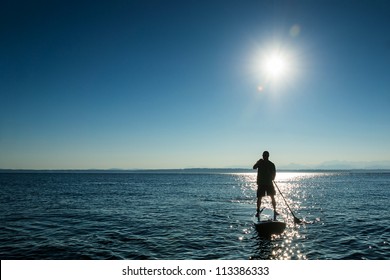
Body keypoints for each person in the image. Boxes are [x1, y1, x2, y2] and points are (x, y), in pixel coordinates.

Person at [253, 151, 278, 220]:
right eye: (264, 155)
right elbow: (254, 167)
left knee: (272, 197)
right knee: (260, 197)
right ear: (263, 156)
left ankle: (275, 210)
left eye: (266, 156)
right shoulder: (260, 163)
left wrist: (272, 177)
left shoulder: (271, 164)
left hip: (268, 183)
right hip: (261, 183)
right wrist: (258, 162)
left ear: (268, 156)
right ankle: (258, 211)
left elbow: (274, 173)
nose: (265, 157)